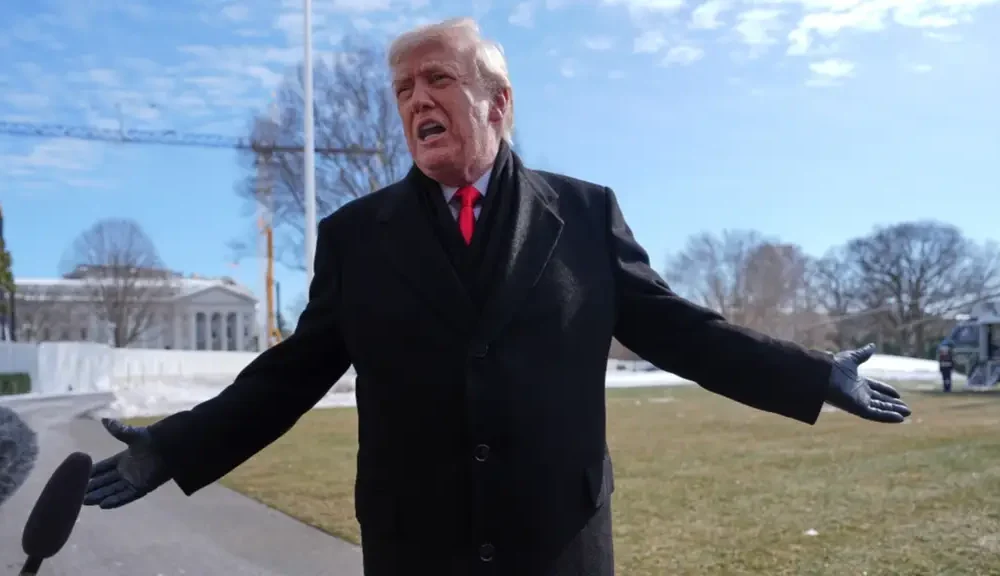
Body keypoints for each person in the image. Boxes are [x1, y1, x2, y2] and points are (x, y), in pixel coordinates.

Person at [82, 18, 911, 576]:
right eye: (402, 90)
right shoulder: (356, 236)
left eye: (436, 79)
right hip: (415, 546)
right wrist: (175, 449)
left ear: (498, 103)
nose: (415, 100)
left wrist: (811, 376)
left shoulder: (585, 215)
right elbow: (288, 376)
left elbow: (682, 332)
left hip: (559, 541)